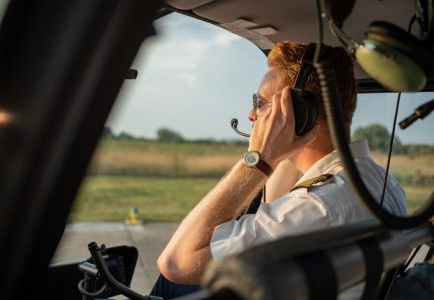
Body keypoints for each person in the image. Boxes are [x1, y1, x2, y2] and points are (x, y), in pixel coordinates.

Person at [151, 41, 407, 298]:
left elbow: (176, 263)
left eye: (260, 102)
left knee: (171, 284)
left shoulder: (317, 206)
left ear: (301, 113)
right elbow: (271, 202)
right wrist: (278, 152)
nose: (252, 114)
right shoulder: (378, 179)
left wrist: (258, 157)